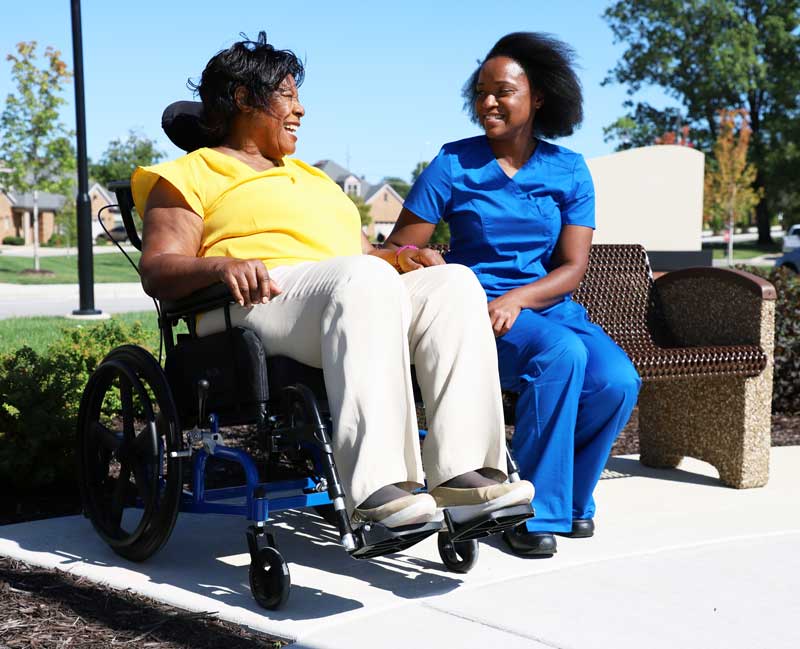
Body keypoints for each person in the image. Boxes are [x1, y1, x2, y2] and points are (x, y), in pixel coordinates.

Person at [130, 32, 533, 532]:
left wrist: (403, 257)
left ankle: (464, 475)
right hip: (252, 301)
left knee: (454, 283)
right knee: (361, 280)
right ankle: (381, 488)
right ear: (241, 98)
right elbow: (158, 268)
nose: (301, 109)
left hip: (347, 293)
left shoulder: (313, 178)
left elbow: (364, 255)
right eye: (287, 95)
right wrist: (220, 265)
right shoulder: (191, 173)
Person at [386, 32, 641, 555]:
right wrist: (427, 262)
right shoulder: (453, 164)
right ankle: (529, 513)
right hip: (474, 312)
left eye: (502, 91)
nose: (487, 103)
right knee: (560, 357)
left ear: (539, 98)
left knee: (617, 380)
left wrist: (521, 298)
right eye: (480, 92)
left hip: (546, 305)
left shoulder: (568, 169)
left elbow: (574, 266)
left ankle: (569, 498)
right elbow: (397, 250)